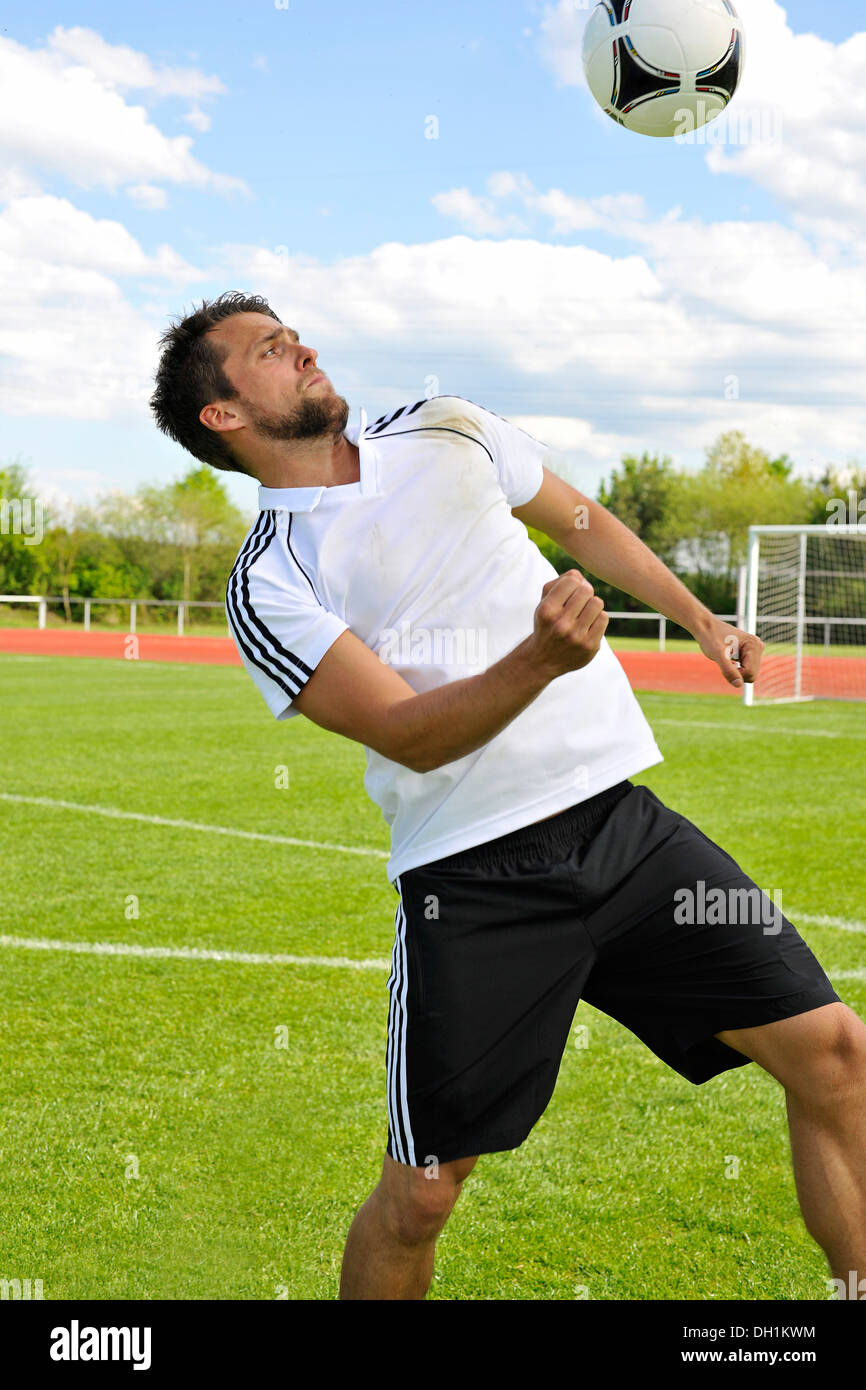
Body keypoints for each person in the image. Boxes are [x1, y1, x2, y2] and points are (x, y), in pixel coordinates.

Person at [150, 290, 866, 1301]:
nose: (300, 348)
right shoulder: (269, 581)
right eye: (268, 351)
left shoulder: (448, 426)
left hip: (619, 826)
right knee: (423, 1197)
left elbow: (580, 518)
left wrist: (700, 619)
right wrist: (538, 659)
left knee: (835, 1052)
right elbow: (404, 730)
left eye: (293, 333)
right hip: (472, 882)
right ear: (222, 414)